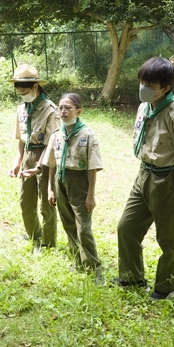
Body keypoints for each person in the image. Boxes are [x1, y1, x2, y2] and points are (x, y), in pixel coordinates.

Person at [114, 57, 174, 300]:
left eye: (149, 84)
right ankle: (131, 277)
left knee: (167, 237)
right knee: (126, 227)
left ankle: (165, 287)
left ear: (166, 88)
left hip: (168, 179)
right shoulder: (145, 107)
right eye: (142, 81)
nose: (143, 88)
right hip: (144, 173)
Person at [43, 93, 103, 282]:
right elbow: (51, 164)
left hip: (79, 181)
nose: (63, 111)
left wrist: (90, 195)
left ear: (78, 111)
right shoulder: (57, 134)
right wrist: (50, 189)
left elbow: (93, 167)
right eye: (60, 107)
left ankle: (93, 267)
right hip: (60, 180)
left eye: (68, 108)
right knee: (68, 222)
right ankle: (77, 260)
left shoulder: (87, 134)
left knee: (83, 226)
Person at [7, 64, 59, 250]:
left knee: (46, 203)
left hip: (45, 158)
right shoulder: (22, 108)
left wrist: (38, 166)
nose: (23, 96)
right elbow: (22, 139)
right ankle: (33, 235)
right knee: (26, 201)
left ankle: (48, 243)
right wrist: (17, 161)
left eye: (25, 92)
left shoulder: (50, 110)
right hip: (28, 154)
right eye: (20, 93)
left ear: (35, 87)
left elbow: (51, 144)